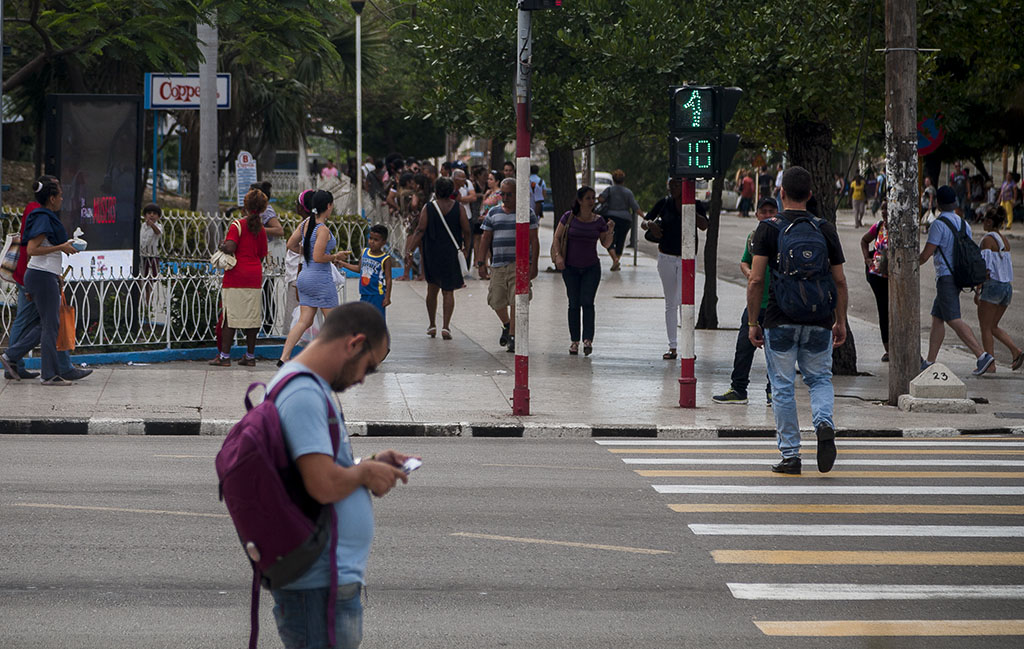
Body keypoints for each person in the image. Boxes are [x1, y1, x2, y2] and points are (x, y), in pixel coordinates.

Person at [268, 301, 415, 649]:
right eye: (369, 365)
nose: (364, 378)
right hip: (317, 586)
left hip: (325, 582)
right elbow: (322, 484)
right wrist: (365, 473)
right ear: (353, 344)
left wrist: (372, 461)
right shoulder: (303, 392)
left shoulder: (312, 386)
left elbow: (314, 467)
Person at [747, 166, 848, 475]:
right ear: (810, 195)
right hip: (819, 319)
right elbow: (841, 281)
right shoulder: (824, 229)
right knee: (819, 379)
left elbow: (755, 280)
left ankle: (791, 455)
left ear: (781, 193)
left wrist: (754, 322)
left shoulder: (768, 228)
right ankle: (824, 424)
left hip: (780, 319)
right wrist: (840, 321)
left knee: (782, 386)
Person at [1, 177, 83, 386]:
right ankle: (48, 374)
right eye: (61, 195)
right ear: (52, 198)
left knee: (46, 324)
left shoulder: (43, 215)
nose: (63, 199)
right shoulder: (43, 218)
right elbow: (32, 250)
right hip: (41, 275)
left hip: (44, 275)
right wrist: (61, 247)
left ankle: (12, 355)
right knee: (49, 325)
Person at [918, 185, 994, 375]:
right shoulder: (963, 223)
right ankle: (930, 361)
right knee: (937, 317)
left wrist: (912, 264)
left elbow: (926, 254)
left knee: (953, 318)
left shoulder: (938, 225)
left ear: (938, 203)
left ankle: (982, 356)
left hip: (946, 277)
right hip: (960, 275)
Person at [713, 197, 777, 405]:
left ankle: (773, 391)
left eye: (772, 211)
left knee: (775, 352)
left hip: (777, 305)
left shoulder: (783, 236)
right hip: (754, 304)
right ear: (757, 214)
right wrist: (750, 273)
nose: (768, 215)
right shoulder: (753, 237)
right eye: (764, 211)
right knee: (743, 348)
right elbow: (744, 262)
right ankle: (738, 389)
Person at [639, 178, 708, 359]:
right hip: (666, 257)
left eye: (678, 184)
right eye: (672, 185)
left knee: (685, 302)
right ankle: (673, 346)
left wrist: (690, 209)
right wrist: (650, 224)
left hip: (687, 258)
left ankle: (688, 347)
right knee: (671, 302)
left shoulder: (695, 204)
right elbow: (644, 221)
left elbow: (704, 225)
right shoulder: (664, 203)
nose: (674, 188)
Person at [279, 190, 348, 365]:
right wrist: (336, 256)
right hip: (320, 279)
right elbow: (319, 257)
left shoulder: (305, 225)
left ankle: (284, 357)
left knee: (304, 320)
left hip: (304, 277)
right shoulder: (322, 229)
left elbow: (290, 244)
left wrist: (306, 252)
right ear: (328, 206)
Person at [476, 178, 540, 353]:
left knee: (516, 300)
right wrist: (481, 262)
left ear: (517, 194)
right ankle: (507, 325)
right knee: (496, 300)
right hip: (498, 265)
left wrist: (533, 265)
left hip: (519, 265)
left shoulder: (527, 213)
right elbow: (485, 238)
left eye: (509, 194)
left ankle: (512, 336)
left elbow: (534, 239)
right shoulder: (493, 213)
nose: (505, 197)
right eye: (502, 194)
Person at [405, 177, 470, 340]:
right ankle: (446, 327)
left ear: (436, 190)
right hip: (451, 254)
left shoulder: (429, 207)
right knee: (448, 291)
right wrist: (466, 249)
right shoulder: (459, 208)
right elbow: (467, 230)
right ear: (452, 191)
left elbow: (420, 230)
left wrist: (410, 250)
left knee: (432, 289)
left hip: (432, 253)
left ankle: (432, 324)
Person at [210, 189, 270, 367]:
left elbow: (231, 246)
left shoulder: (237, 224)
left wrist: (222, 245)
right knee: (252, 318)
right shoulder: (261, 229)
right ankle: (250, 356)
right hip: (254, 275)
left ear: (245, 205)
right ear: (263, 208)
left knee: (230, 317)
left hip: (236, 275)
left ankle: (225, 356)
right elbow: (261, 253)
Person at [551, 186, 613, 356]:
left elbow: (606, 244)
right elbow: (557, 237)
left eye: (593, 198)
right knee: (573, 303)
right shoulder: (569, 217)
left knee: (587, 302)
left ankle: (588, 340)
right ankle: (574, 341)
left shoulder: (599, 220)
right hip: (570, 267)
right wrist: (558, 256)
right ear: (579, 200)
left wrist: (610, 230)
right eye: (588, 198)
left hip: (591, 267)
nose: (592, 201)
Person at [975, 206, 1023, 372]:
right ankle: (1015, 351)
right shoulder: (1005, 241)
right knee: (993, 326)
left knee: (985, 328)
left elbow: (985, 268)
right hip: (1006, 288)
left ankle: (990, 365)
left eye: (984, 220)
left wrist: (978, 290)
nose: (982, 223)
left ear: (989, 221)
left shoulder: (987, 240)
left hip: (992, 286)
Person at [338, 224, 392, 321]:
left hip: (377, 295)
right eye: (370, 238)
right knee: (363, 319)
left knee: (377, 320)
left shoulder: (385, 259)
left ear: (383, 242)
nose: (372, 242)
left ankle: (379, 336)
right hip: (364, 293)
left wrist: (387, 297)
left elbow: (388, 279)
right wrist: (344, 264)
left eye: (376, 240)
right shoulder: (365, 252)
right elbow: (359, 269)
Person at [860, 200, 890, 361]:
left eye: (887, 209)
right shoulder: (879, 227)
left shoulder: (902, 229)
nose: (884, 212)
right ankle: (888, 349)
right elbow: (864, 241)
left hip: (897, 279)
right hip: (878, 277)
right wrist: (867, 259)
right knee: (884, 311)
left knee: (898, 311)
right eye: (883, 209)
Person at [598, 169, 643, 272]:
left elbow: (601, 200)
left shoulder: (609, 190)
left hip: (610, 217)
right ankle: (616, 260)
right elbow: (635, 207)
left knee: (609, 240)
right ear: (623, 180)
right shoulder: (628, 192)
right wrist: (644, 217)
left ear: (613, 179)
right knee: (621, 241)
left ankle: (615, 259)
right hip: (625, 219)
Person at [140, 202, 163, 277]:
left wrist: (152, 225)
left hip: (152, 255)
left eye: (154, 213)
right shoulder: (141, 226)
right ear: (145, 215)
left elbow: (158, 232)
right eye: (149, 213)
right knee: (140, 275)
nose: (151, 215)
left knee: (150, 277)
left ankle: (149, 289)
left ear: (158, 217)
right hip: (141, 254)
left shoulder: (158, 226)